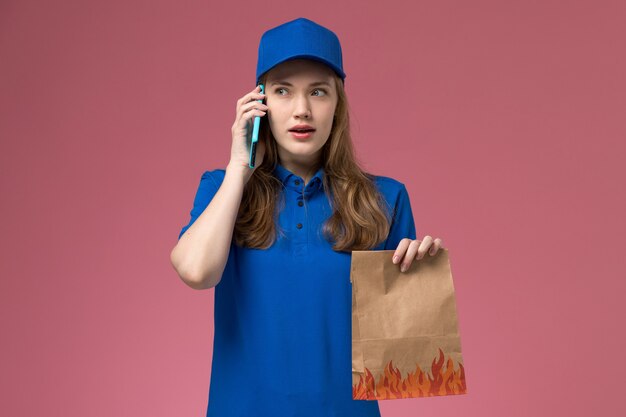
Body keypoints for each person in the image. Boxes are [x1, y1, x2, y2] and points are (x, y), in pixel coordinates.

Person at [170, 17, 444, 417]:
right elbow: (196, 272)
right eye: (283, 91)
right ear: (259, 103)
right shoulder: (222, 189)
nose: (302, 109)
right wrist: (238, 167)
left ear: (338, 104)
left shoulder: (385, 198)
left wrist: (420, 286)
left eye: (318, 91)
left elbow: (400, 364)